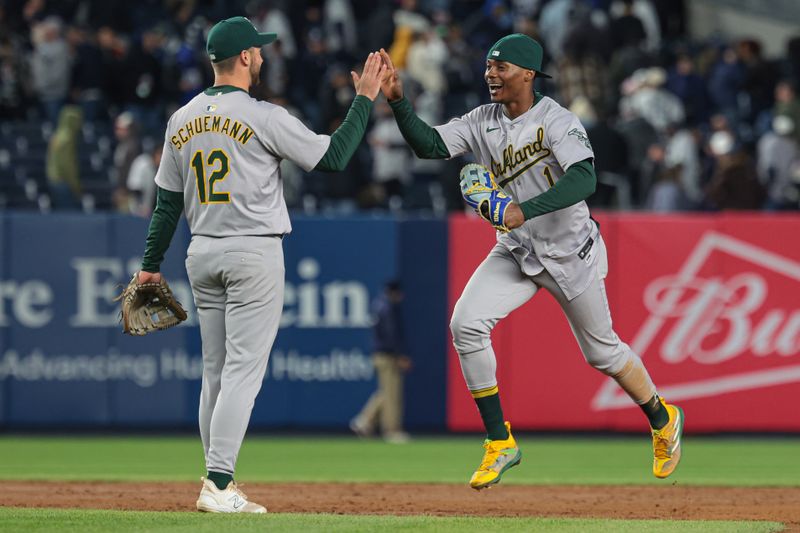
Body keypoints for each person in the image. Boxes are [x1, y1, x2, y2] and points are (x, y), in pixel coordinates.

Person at [377, 34, 684, 490]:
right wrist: (401, 104)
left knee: (601, 352)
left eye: (500, 68)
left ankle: (662, 417)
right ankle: (500, 442)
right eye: (487, 67)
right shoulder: (482, 119)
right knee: (466, 325)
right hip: (517, 249)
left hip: (569, 251)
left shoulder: (556, 120)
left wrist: (524, 208)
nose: (490, 75)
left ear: (526, 73)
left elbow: (584, 178)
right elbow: (431, 146)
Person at [133, 16, 385, 513]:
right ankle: (219, 485)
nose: (265, 56)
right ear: (245, 58)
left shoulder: (181, 118)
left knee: (215, 373)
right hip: (252, 250)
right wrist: (365, 100)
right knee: (244, 373)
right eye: (260, 50)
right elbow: (333, 158)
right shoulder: (264, 115)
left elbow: (165, 204)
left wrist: (149, 265)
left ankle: (217, 480)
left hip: (201, 250)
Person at [350, 280, 412, 443]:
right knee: (391, 394)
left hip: (380, 354)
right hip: (387, 355)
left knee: (386, 392)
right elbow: (391, 334)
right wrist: (400, 355)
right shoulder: (387, 308)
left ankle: (364, 420)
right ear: (394, 292)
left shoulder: (379, 305)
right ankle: (391, 431)